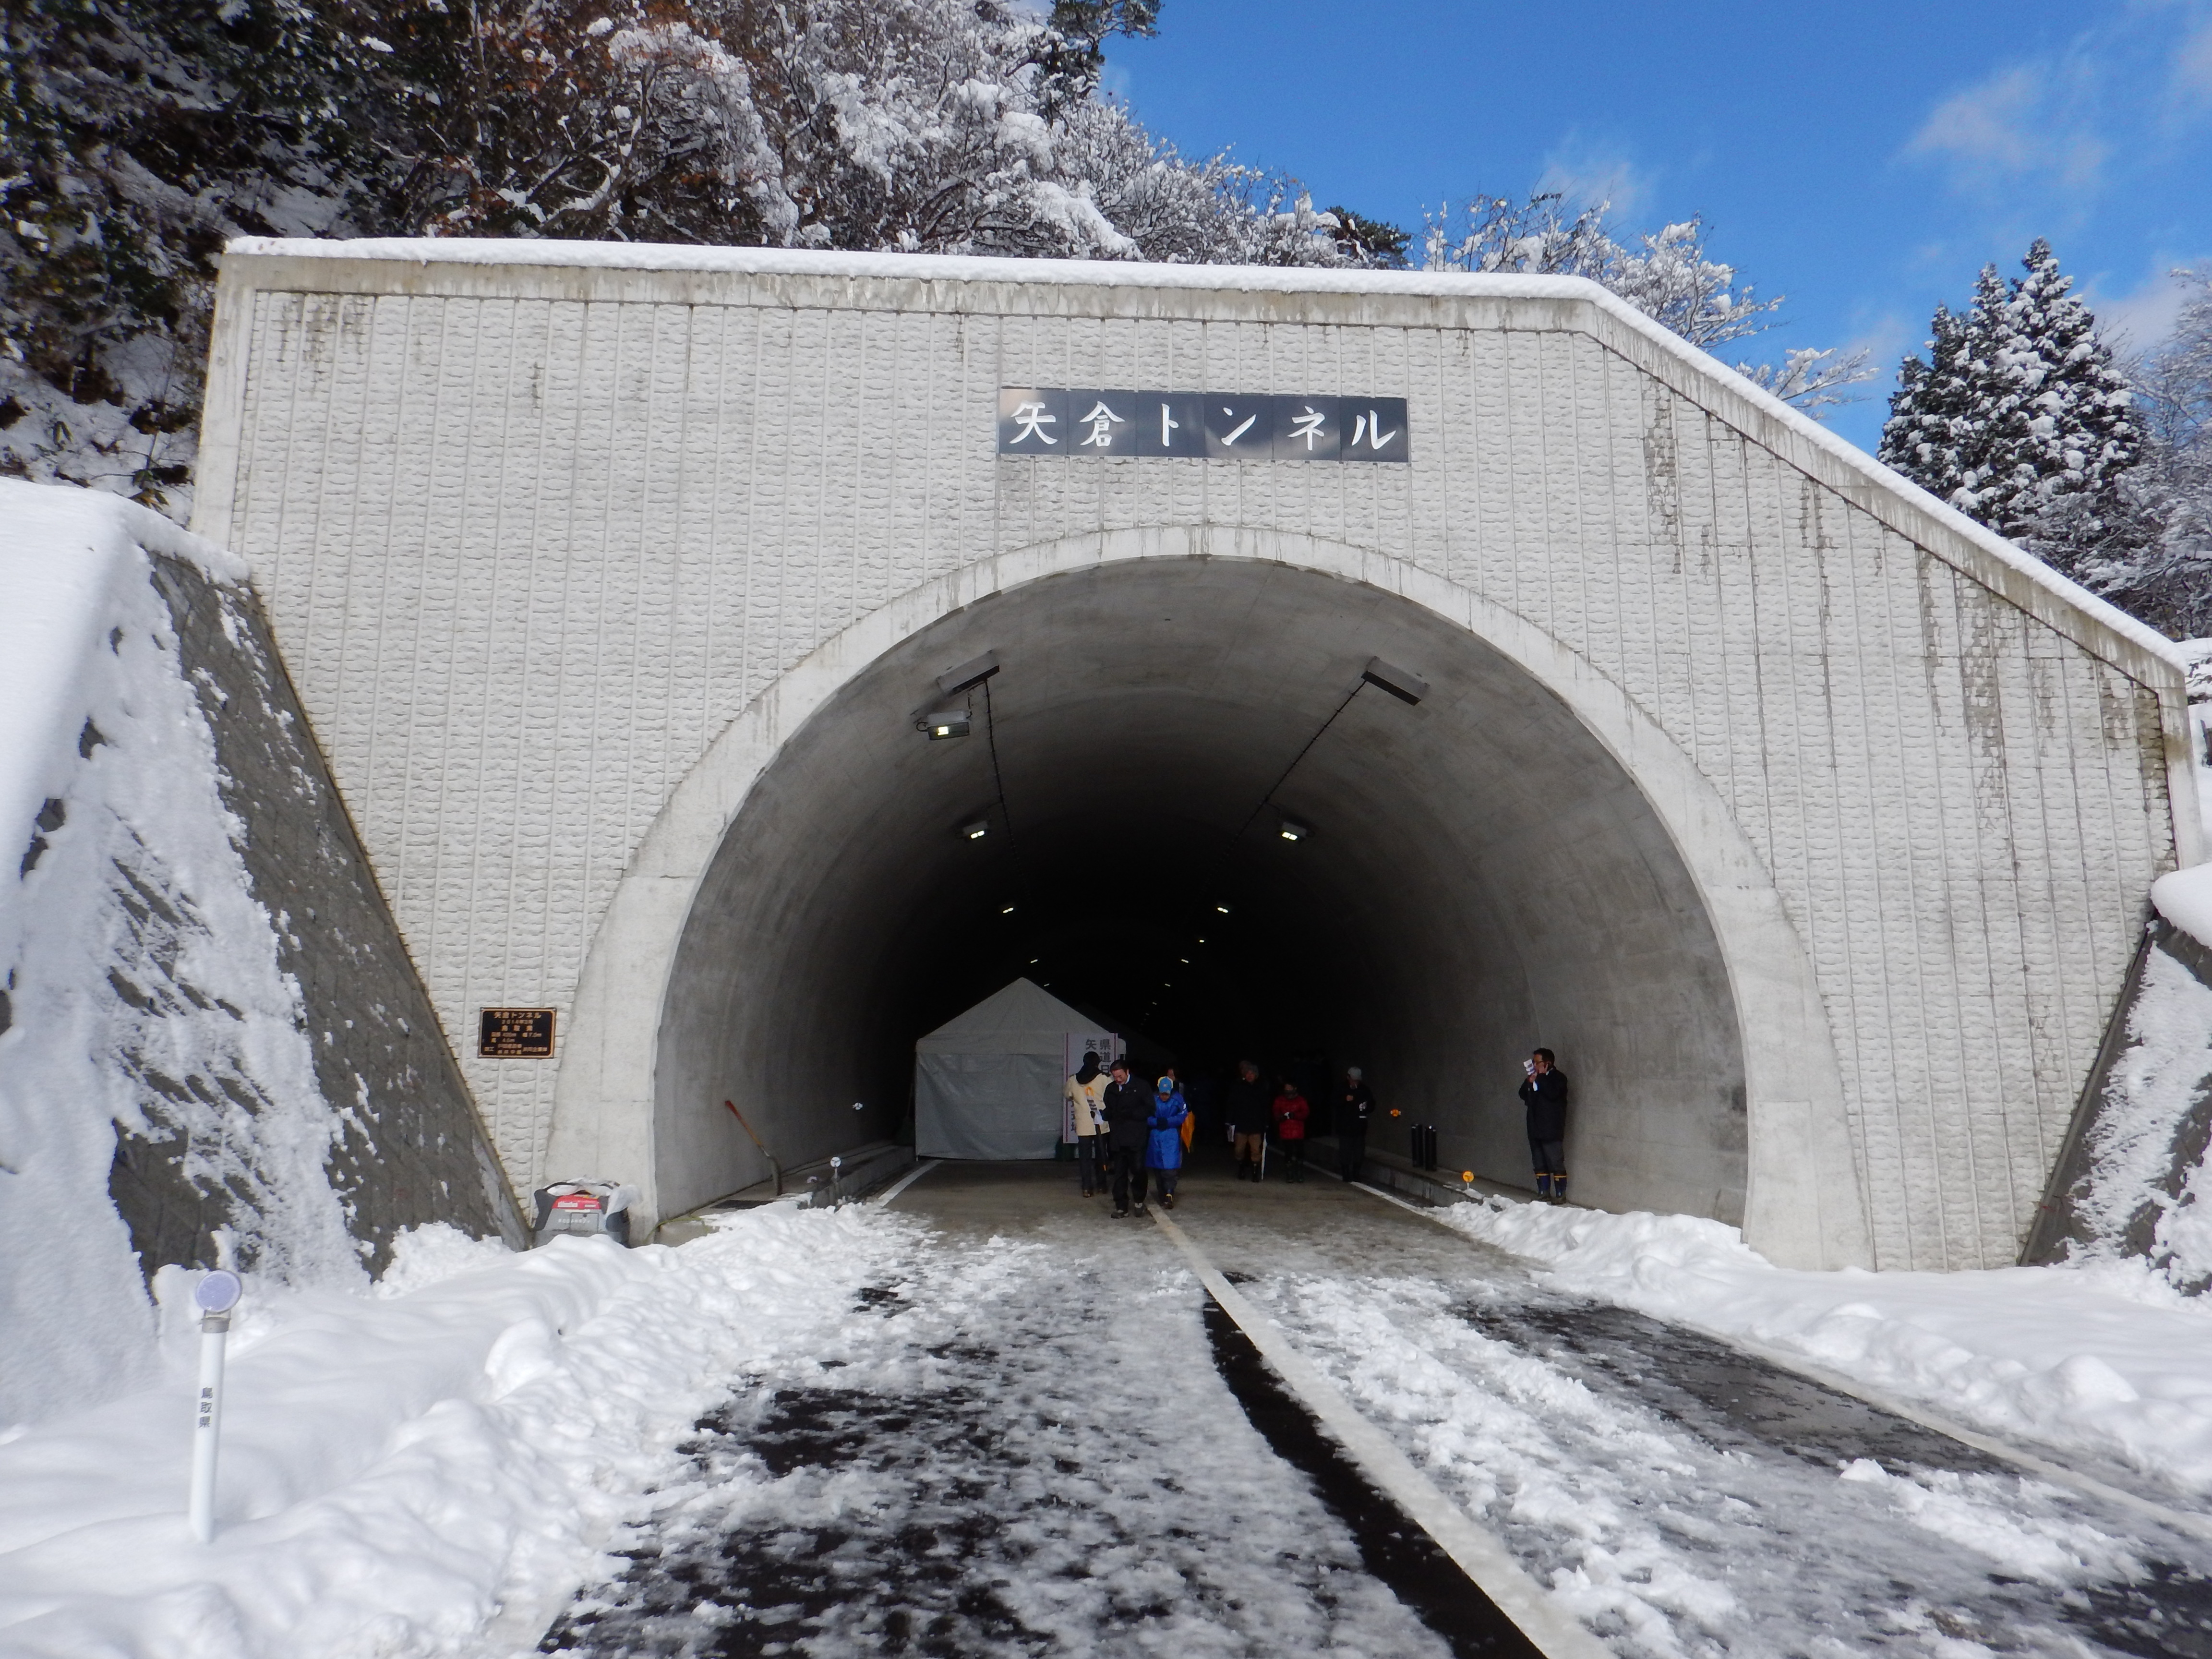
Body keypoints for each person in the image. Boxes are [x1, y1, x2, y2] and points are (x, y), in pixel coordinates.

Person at [1102, 1059, 1153, 1216]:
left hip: (1137, 1137)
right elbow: (1109, 1110)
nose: (1118, 1079)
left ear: (1127, 1072)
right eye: (1115, 1076)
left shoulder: (1141, 1086)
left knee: (1138, 1169)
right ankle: (1121, 1206)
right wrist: (1102, 1116)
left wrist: (1131, 1114)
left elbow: (1150, 1109)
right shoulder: (1111, 1089)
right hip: (1118, 1138)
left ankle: (1139, 1200)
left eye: (1120, 1076)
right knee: (1119, 1173)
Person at [1518, 1047, 1569, 1202]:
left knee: (1555, 1161)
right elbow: (1522, 1094)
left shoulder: (1559, 1078)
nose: (1534, 1065)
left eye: (1537, 1062)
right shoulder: (1534, 1078)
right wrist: (1530, 1082)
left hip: (1551, 1128)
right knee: (1539, 1161)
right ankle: (1543, 1191)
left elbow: (1553, 1094)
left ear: (1547, 1063)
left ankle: (1560, 1194)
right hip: (1535, 1126)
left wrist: (1540, 1079)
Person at [1064, 1051, 1109, 1197]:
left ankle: (1086, 1188)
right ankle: (1102, 1185)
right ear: (1098, 1063)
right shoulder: (1103, 1079)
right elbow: (1112, 1096)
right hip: (1100, 1123)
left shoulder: (1074, 1079)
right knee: (1101, 1155)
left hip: (1083, 1125)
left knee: (1085, 1158)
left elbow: (1067, 1095)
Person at [1146, 1076, 1190, 1210]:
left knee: (1170, 1169)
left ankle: (1169, 1194)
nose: (1164, 1096)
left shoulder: (1178, 1100)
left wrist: (1169, 1122)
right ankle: (1162, 1194)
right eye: (1162, 1094)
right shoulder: (1152, 1100)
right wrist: (1155, 1122)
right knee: (1158, 1169)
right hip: (1156, 1137)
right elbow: (1145, 1115)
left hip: (1171, 1136)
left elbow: (1183, 1115)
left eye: (1167, 1094)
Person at [1225, 1060, 1271, 1180]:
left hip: (1256, 1125)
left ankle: (1255, 1172)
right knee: (1239, 1150)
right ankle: (1241, 1168)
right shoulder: (1238, 1088)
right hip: (1241, 1124)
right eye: (1248, 1073)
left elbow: (1265, 1107)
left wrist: (1266, 1122)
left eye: (1252, 1074)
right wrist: (1229, 1120)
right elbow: (1232, 1105)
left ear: (1256, 1075)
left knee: (1256, 1150)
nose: (1250, 1076)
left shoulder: (1261, 1088)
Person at [1335, 1066, 1374, 1182]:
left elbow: (1372, 1105)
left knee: (1359, 1151)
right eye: (1353, 1080)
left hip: (1359, 1126)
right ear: (1348, 1078)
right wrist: (1344, 1100)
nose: (1355, 1082)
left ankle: (1356, 1173)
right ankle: (1346, 1173)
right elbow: (1333, 1102)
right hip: (1345, 1126)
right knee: (1345, 1150)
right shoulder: (1341, 1089)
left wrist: (1367, 1107)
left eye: (1357, 1080)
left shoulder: (1365, 1090)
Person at [1271, 1078, 1310, 1182]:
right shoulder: (1280, 1100)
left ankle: (1299, 1172)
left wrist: (1295, 1115)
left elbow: (1305, 1113)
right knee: (1288, 1152)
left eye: (1290, 1088)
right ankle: (1289, 1174)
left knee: (1300, 1152)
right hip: (1286, 1130)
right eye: (1286, 1088)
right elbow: (1276, 1111)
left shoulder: (1301, 1100)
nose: (1288, 1090)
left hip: (1298, 1130)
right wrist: (1280, 1117)